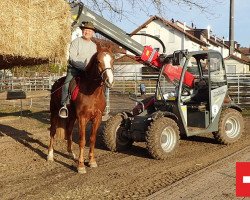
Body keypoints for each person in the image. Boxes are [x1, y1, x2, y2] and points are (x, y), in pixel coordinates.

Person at [59, 21, 97, 118]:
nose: (87, 32)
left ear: (92, 33)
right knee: (67, 83)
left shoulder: (94, 46)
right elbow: (72, 58)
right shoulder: (76, 42)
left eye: (89, 31)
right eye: (85, 30)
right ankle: (64, 105)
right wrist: (83, 67)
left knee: (100, 83)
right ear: (82, 31)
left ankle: (99, 106)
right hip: (75, 69)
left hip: (89, 71)